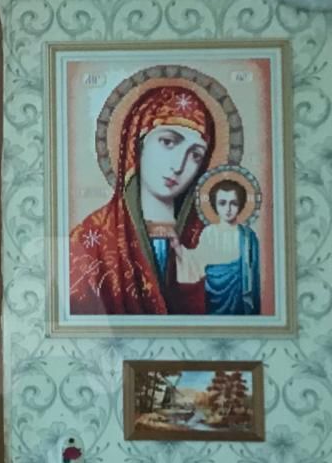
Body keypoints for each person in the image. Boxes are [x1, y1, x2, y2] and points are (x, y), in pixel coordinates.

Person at [69, 84, 215, 315]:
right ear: (137, 143)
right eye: (168, 142)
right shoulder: (91, 238)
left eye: (195, 155)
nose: (179, 166)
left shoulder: (207, 239)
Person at [173, 179, 261, 314]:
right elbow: (196, 262)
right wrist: (178, 248)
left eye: (233, 203)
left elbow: (254, 272)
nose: (228, 209)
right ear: (215, 205)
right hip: (213, 294)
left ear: (241, 204)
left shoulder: (248, 236)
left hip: (240, 296)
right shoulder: (209, 233)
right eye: (222, 203)